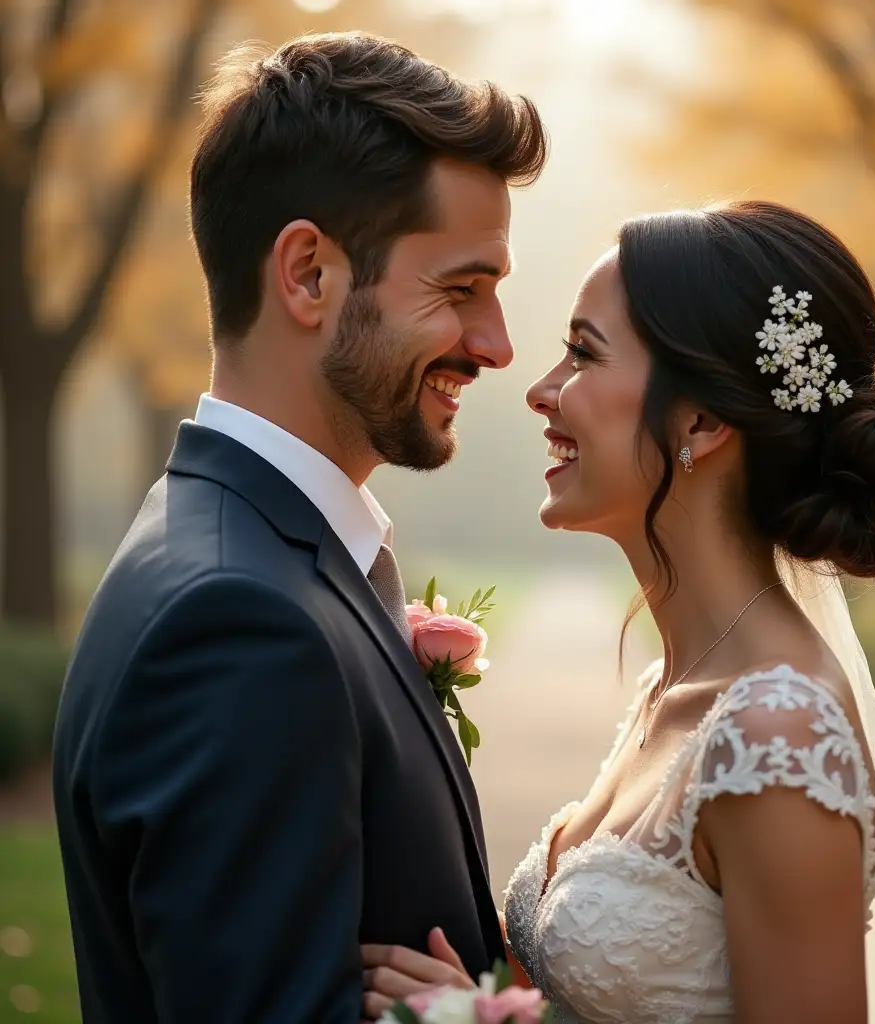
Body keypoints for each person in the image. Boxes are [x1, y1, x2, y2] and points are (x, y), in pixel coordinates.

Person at [52, 31, 547, 1023]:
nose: (495, 346)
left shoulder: (249, 553)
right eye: (461, 290)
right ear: (309, 276)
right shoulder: (239, 625)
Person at [362, 200, 875, 1023]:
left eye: (581, 354)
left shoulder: (779, 732)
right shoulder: (671, 690)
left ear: (702, 421)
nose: (539, 390)